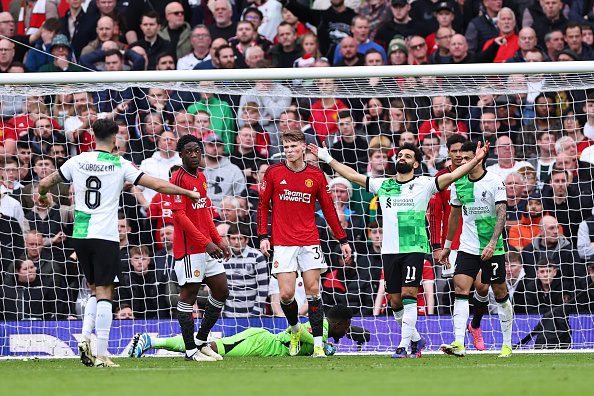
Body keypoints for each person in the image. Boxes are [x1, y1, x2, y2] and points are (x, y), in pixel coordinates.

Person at [37, 119, 202, 368]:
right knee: (106, 293)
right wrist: (187, 192)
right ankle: (102, 353)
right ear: (115, 139)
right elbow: (156, 184)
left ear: (93, 136)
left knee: (94, 288)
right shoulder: (120, 163)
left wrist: (41, 196)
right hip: (104, 236)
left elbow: (44, 184)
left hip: (80, 236)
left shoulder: (77, 160)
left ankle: (84, 338)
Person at [309, 137, 489, 358]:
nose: (402, 157)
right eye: (400, 155)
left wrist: (476, 160)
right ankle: (416, 339)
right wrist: (328, 159)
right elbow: (353, 176)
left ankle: (403, 346)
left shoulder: (424, 183)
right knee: (394, 302)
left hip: (414, 248)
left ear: (415, 164)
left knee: (408, 294)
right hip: (389, 251)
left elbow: (453, 175)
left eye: (408, 156)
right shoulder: (384, 185)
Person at [258, 130, 352, 358]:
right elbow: (262, 206)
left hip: (309, 240)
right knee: (286, 295)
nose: (289, 151)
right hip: (283, 242)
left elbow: (329, 210)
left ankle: (318, 344)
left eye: (293, 147)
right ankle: (295, 331)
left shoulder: (316, 175)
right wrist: (263, 236)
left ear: (303, 148)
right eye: (286, 147)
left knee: (313, 291)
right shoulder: (273, 172)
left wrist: (343, 240)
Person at [437, 140, 512, 358]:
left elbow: (501, 215)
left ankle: (506, 344)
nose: (463, 162)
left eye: (468, 158)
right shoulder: (459, 183)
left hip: (492, 248)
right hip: (467, 247)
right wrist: (448, 247)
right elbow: (454, 216)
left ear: (479, 159)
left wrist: (492, 243)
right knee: (461, 288)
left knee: (499, 293)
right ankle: (459, 343)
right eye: (461, 158)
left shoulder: (495, 181)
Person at [166, 134, 231, 362]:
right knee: (189, 295)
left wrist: (219, 240)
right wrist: (206, 242)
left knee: (222, 290)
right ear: (181, 154)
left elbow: (204, 212)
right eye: (189, 151)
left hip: (207, 246)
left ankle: (202, 341)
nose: (194, 155)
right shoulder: (177, 178)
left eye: (197, 151)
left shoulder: (201, 177)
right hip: (189, 249)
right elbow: (180, 217)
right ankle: (190, 350)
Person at [129, 305, 358, 358]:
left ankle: (152, 341)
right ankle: (152, 340)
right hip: (262, 343)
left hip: (264, 344)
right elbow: (294, 327)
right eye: (347, 327)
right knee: (207, 349)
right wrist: (322, 346)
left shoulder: (328, 329)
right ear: (339, 323)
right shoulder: (323, 328)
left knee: (206, 348)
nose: (346, 331)